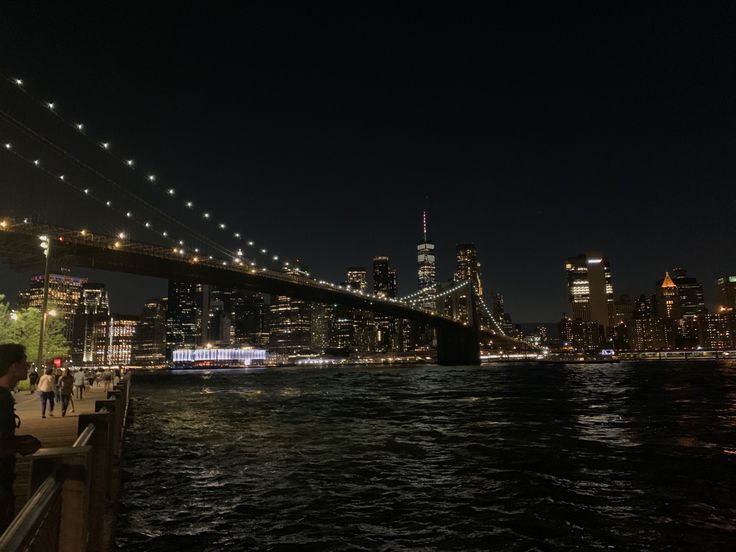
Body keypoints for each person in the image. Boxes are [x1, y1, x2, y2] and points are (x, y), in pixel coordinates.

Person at [0, 344, 42, 531]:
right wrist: (22, 444)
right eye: (25, 363)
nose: (28, 367)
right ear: (13, 367)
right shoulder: (2, 399)